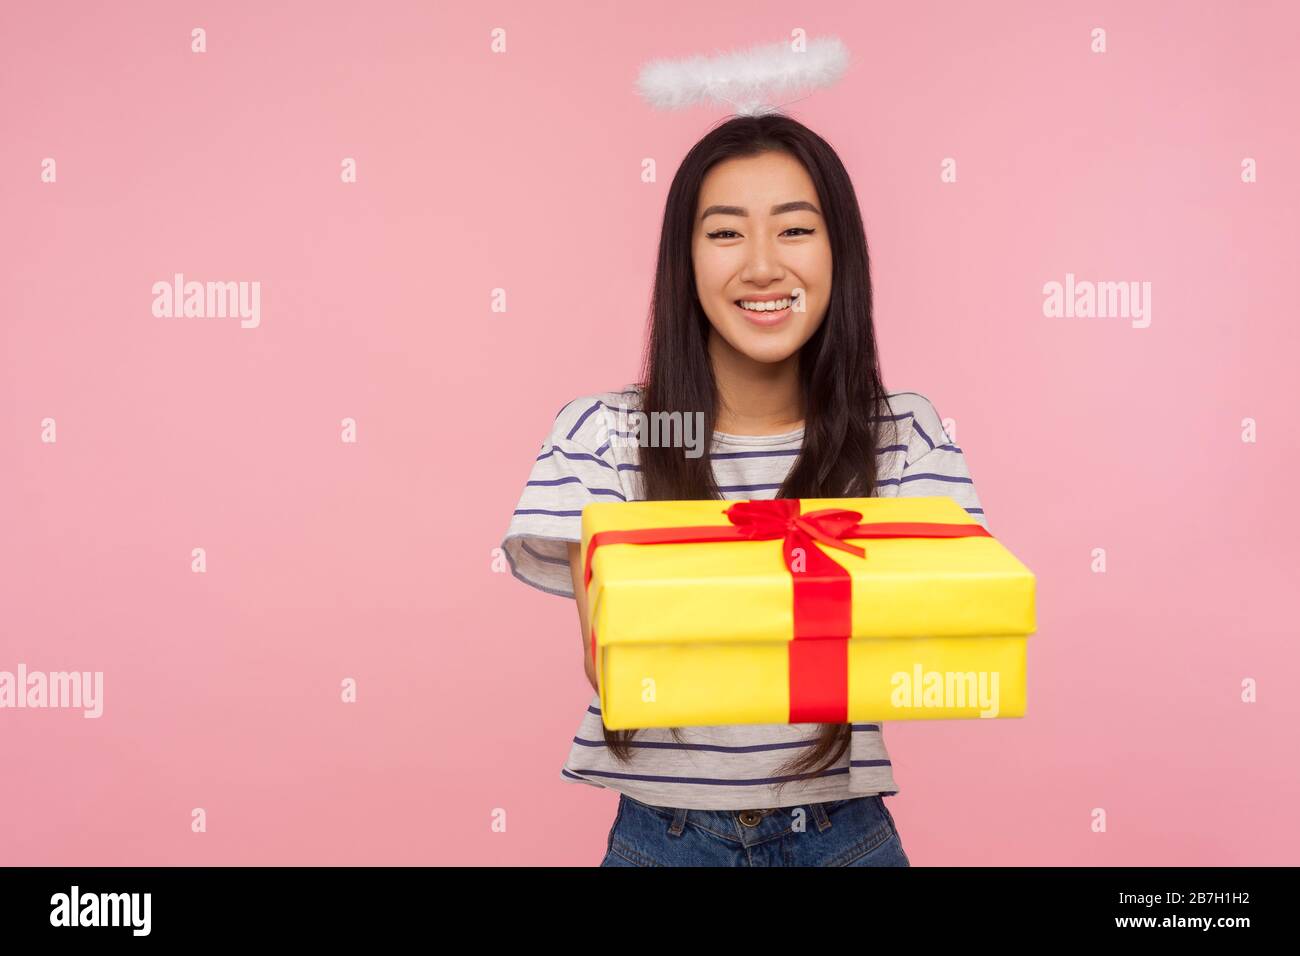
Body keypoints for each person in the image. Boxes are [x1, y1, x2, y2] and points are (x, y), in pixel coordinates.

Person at [500, 114, 988, 866]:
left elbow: (935, 635)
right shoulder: (604, 434)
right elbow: (617, 662)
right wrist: (819, 585)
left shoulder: (901, 435)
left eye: (794, 230)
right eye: (726, 233)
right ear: (684, 259)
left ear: (840, 253)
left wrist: (705, 581)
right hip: (664, 839)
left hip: (840, 834)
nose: (762, 266)